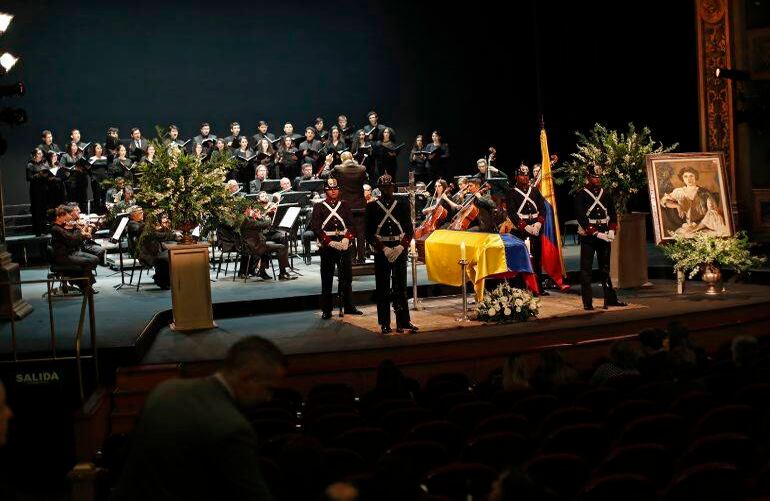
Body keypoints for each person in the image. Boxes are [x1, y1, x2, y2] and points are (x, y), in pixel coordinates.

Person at [111, 336, 285, 501]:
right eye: (268, 389)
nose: (268, 399)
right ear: (248, 377)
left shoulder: (165, 390)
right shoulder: (233, 428)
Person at [366, 173, 417, 335]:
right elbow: (368, 233)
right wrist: (384, 248)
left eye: (389, 187)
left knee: (401, 287)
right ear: (379, 189)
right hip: (382, 251)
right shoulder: (372, 206)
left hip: (399, 249)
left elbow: (409, 230)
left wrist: (401, 247)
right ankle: (385, 323)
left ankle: (404, 321)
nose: (386, 189)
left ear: (393, 187)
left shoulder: (402, 204)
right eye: (383, 187)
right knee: (382, 288)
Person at [574, 164, 627, 311]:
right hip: (589, 236)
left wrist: (611, 229)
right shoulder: (581, 194)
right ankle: (587, 302)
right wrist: (596, 233)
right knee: (586, 270)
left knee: (605, 269)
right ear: (588, 177)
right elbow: (580, 216)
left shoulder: (606, 193)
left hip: (605, 234)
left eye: (598, 177)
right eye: (594, 177)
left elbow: (612, 213)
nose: (596, 179)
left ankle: (610, 299)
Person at [310, 178, 361, 319]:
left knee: (347, 277)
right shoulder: (319, 206)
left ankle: (349, 306)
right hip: (328, 246)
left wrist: (347, 238)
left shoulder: (344, 205)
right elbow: (316, 227)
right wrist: (328, 242)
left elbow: (351, 225)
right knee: (327, 277)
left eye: (335, 188)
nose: (333, 191)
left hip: (344, 244)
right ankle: (327, 309)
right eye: (330, 189)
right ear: (325, 191)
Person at [507, 166, 546, 291]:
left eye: (527, 175)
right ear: (516, 177)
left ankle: (538, 287)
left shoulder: (534, 190)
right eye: (522, 175)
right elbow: (512, 213)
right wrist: (525, 227)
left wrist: (539, 223)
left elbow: (542, 208)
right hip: (520, 231)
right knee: (521, 259)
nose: (525, 178)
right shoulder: (512, 192)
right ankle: (521, 287)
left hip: (536, 228)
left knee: (537, 258)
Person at [328, 151, 368, 263]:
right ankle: (361, 258)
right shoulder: (362, 169)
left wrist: (328, 164)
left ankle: (351, 258)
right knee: (361, 233)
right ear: (352, 158)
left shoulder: (338, 169)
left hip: (345, 206)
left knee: (349, 232)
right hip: (360, 205)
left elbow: (325, 176)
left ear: (342, 160)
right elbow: (366, 180)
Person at [239, 202, 295, 281]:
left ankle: (262, 271)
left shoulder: (245, 220)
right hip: (256, 247)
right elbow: (267, 224)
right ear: (245, 211)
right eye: (249, 209)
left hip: (251, 246)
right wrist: (260, 217)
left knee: (267, 249)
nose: (251, 210)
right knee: (282, 247)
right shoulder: (248, 221)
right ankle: (282, 273)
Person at [49, 205, 99, 291]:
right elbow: (72, 241)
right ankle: (85, 287)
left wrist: (76, 229)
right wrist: (77, 229)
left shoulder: (60, 227)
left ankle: (82, 283)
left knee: (92, 260)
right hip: (62, 257)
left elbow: (72, 240)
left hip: (68, 253)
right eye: (65, 216)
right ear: (59, 217)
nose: (66, 219)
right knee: (87, 262)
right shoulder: (56, 229)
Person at [27, 148, 50, 235]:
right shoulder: (30, 165)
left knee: (44, 210)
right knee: (36, 210)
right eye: (39, 153)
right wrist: (38, 175)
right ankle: (37, 231)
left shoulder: (44, 163)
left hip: (44, 189)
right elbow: (28, 178)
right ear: (34, 155)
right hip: (35, 190)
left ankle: (44, 229)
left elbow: (47, 175)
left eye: (41, 153)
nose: (41, 155)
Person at [88, 143, 110, 213]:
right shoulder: (92, 159)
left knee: (104, 195)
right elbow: (88, 170)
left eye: (100, 148)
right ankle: (97, 210)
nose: (100, 149)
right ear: (94, 150)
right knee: (97, 196)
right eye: (98, 148)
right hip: (95, 180)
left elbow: (108, 169)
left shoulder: (105, 158)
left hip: (104, 179)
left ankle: (104, 209)